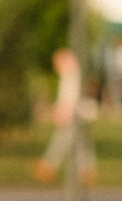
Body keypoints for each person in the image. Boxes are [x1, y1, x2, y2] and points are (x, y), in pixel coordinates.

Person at [33, 47, 95, 183]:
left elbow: (71, 97)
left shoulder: (71, 76)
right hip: (72, 114)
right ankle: (85, 169)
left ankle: (49, 165)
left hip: (72, 114)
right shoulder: (70, 76)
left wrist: (64, 111)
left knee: (64, 140)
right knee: (78, 142)